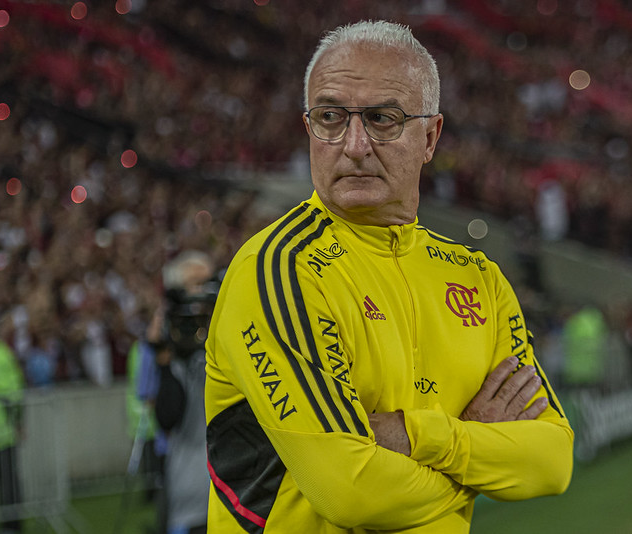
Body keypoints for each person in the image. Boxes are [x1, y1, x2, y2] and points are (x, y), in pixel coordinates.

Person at [204, 20, 574, 533]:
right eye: (330, 117)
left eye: (383, 119)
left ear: (431, 137)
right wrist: (476, 453)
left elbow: (552, 460)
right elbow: (352, 491)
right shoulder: (279, 271)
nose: (354, 144)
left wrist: (418, 437)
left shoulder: (479, 280)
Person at [150, 251, 218, 534]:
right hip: (190, 484)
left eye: (207, 284)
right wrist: (164, 361)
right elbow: (167, 416)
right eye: (194, 285)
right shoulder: (167, 348)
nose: (201, 295)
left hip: (230, 481)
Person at [0, 315, 25, 534]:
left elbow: (10, 392)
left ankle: (12, 525)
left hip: (2, 429)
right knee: (7, 479)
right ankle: (11, 523)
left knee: (8, 480)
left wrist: (17, 420)